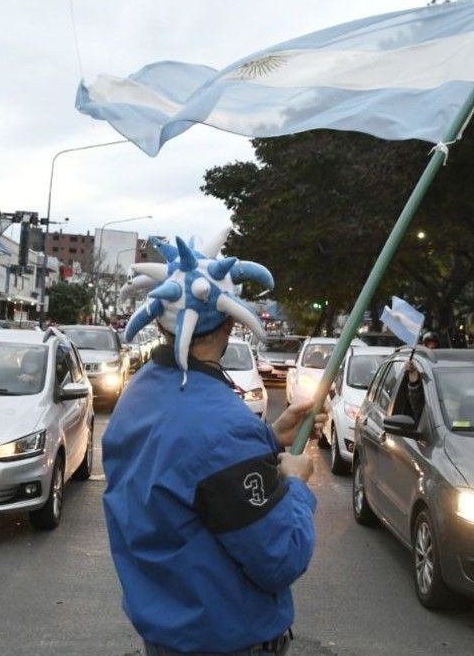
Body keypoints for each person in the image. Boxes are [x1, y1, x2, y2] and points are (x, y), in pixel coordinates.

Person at [104, 236, 322, 655]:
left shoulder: (139, 395)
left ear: (161, 319)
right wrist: (296, 485)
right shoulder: (223, 428)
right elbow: (281, 559)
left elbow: (191, 467)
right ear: (229, 323)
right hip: (224, 641)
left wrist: (268, 436)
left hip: (166, 636)